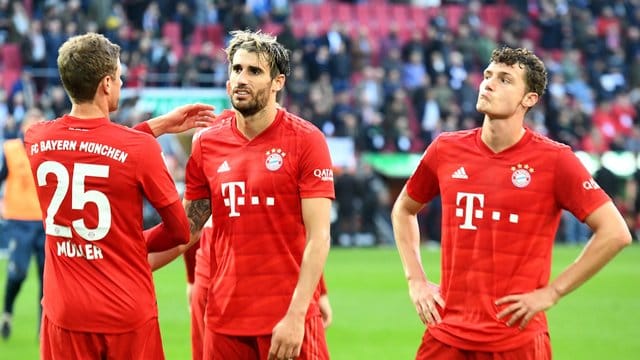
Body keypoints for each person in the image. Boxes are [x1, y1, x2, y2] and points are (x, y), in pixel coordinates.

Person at [391, 47, 632, 359]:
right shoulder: (446, 149)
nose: (488, 84)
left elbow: (615, 232)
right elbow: (404, 209)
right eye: (488, 75)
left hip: (515, 340)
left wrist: (553, 292)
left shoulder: (555, 160)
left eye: (505, 80)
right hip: (445, 335)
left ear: (528, 99)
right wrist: (416, 281)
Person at [24, 32, 214, 359]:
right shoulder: (140, 149)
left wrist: (158, 125)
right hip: (125, 312)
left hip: (63, 313)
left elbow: (91, 146)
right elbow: (181, 230)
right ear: (106, 84)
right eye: (120, 76)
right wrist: (131, 243)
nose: (123, 83)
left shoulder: (37, 139)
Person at [183, 30, 334, 360]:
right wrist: (126, 256)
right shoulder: (207, 144)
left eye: (254, 71)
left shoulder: (307, 141)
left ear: (278, 82)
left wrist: (297, 315)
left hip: (287, 320)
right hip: (224, 320)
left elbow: (319, 236)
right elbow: (185, 231)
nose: (241, 78)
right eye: (236, 69)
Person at [0, 108, 46, 340]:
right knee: (17, 273)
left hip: (46, 223)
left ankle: (43, 329)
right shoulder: (10, 151)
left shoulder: (48, 152)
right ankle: (7, 313)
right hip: (19, 221)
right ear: (22, 126)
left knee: (47, 279)